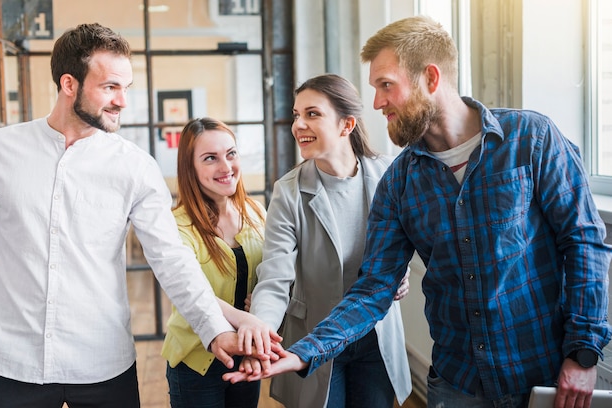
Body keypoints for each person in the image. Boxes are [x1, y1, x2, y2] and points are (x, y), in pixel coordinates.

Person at [225, 16, 612, 408]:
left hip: (543, 374)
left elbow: (584, 243)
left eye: (386, 85)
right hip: (457, 382)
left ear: (430, 77)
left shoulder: (531, 139)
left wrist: (583, 352)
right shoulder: (399, 183)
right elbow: (374, 288)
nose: (377, 102)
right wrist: (305, 352)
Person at [0, 23, 278, 408]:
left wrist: (213, 330)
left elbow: (172, 261)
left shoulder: (136, 167)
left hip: (102, 365)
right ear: (69, 84)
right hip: (10, 363)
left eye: (126, 88)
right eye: (110, 87)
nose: (122, 101)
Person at [238, 74, 412, 408]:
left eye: (312, 114)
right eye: (296, 114)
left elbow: (408, 241)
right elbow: (275, 279)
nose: (298, 124)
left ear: (347, 124)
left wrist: (398, 273)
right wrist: (260, 333)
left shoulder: (389, 175)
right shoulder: (288, 192)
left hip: (376, 335)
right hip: (313, 336)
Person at [161, 117, 267, 408]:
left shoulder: (256, 213)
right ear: (190, 167)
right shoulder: (176, 225)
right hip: (196, 361)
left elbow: (277, 271)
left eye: (231, 154)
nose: (226, 167)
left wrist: (260, 301)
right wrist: (244, 317)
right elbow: (189, 290)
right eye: (210, 158)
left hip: (247, 355)